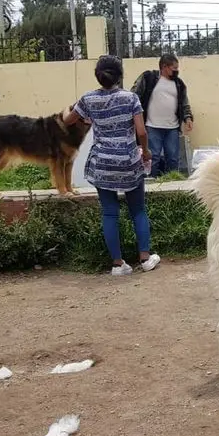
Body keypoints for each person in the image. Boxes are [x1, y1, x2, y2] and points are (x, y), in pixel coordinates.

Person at [65, 55, 161, 276]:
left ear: (98, 76)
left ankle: (118, 264)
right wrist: (145, 151)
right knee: (138, 210)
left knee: (110, 212)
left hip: (102, 163)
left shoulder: (88, 99)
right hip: (128, 162)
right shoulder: (131, 98)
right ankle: (145, 258)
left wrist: (88, 118)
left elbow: (69, 120)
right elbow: (141, 132)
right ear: (120, 75)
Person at [131, 53, 193, 177]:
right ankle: (151, 186)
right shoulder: (148, 78)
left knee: (173, 159)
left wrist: (188, 117)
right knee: (152, 158)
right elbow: (134, 95)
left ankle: (173, 185)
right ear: (164, 67)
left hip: (172, 128)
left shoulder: (179, 84)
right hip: (152, 126)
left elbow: (184, 102)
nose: (177, 71)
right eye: (174, 68)